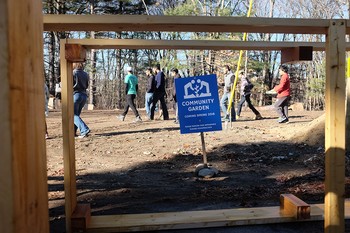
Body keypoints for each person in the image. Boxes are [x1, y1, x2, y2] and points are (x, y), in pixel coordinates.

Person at [73, 62, 90, 138]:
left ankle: (84, 129)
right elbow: (86, 85)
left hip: (76, 94)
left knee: (72, 115)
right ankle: (73, 132)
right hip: (84, 95)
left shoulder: (73, 73)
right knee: (76, 115)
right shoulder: (86, 74)